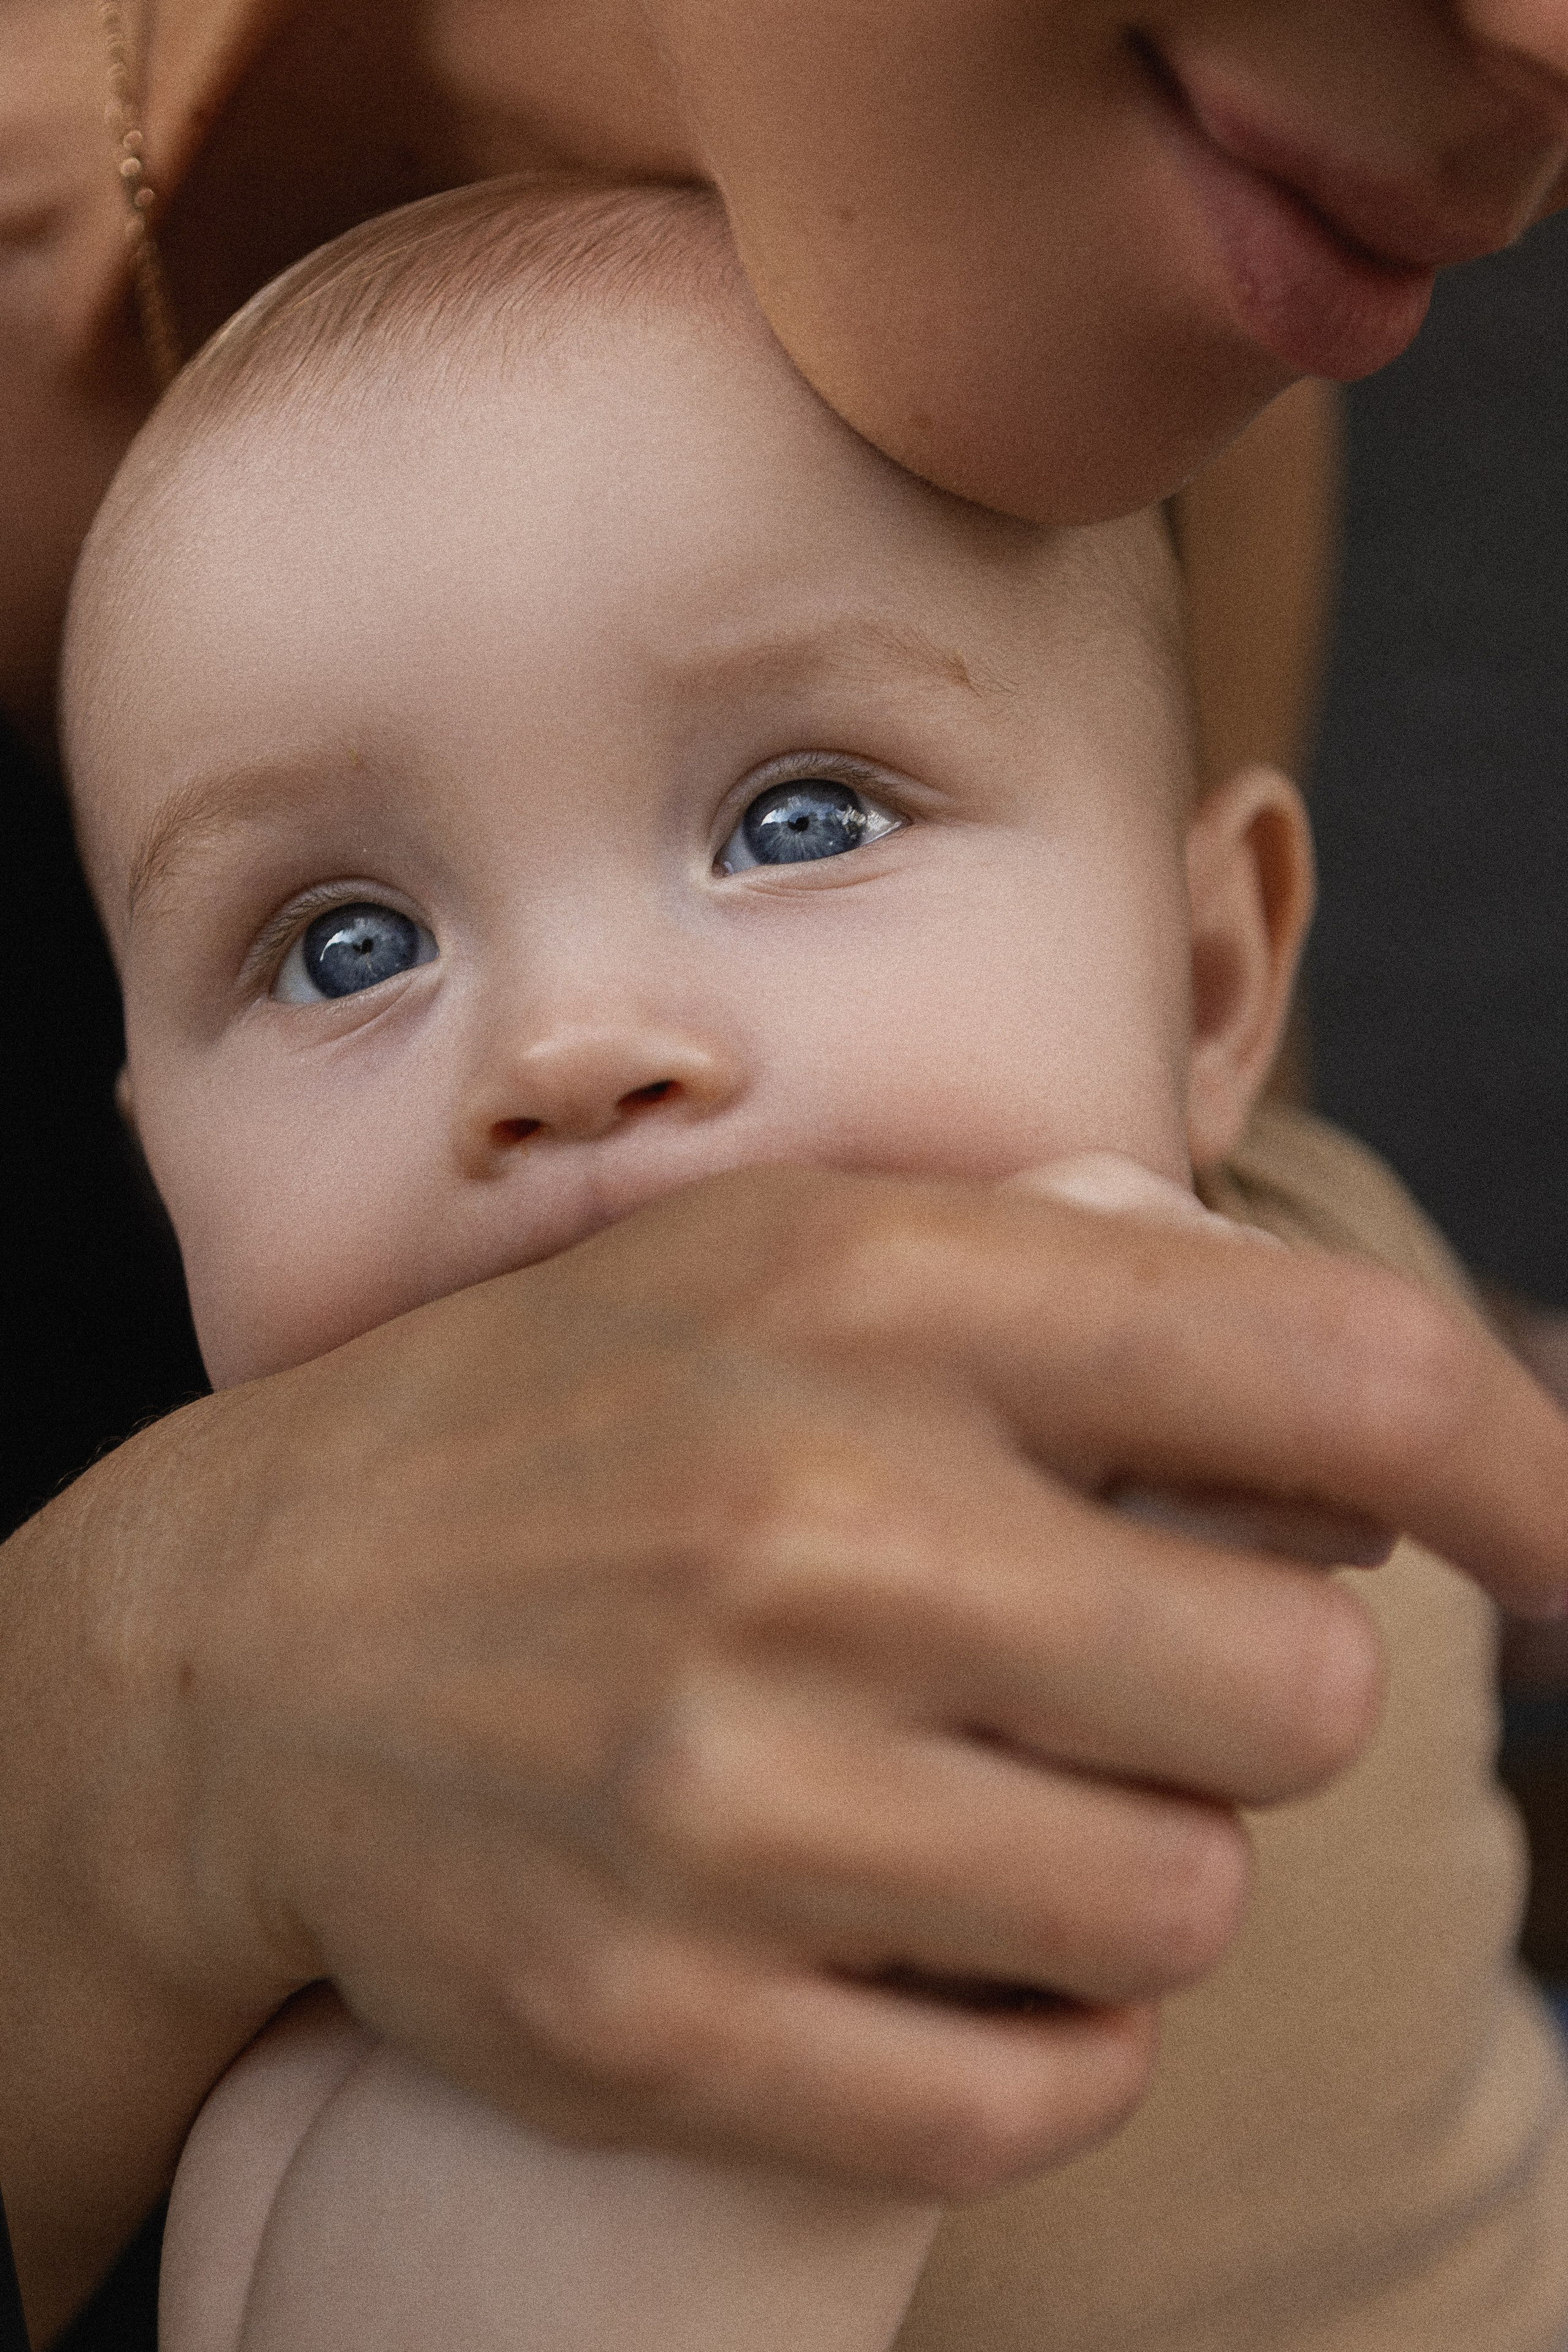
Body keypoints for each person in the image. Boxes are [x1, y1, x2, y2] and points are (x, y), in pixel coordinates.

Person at [9, 4, 1568, 2340]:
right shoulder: (428, 1971)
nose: (567, 1052)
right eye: (345, 949)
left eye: (802, 820)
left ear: (1215, 980)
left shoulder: (1165, 310)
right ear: (154, 1177)